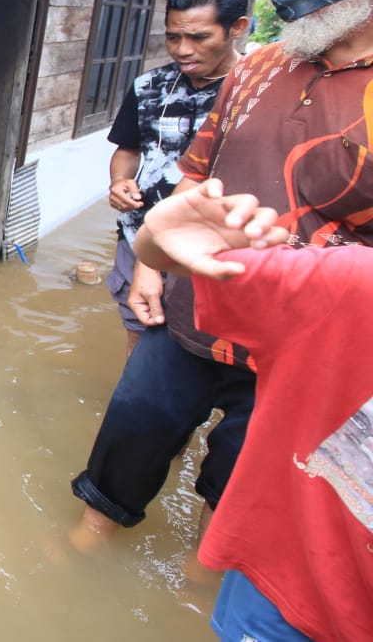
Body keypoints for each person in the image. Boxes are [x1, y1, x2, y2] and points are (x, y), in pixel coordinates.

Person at [71, 0, 373, 553]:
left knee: (242, 468)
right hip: (192, 303)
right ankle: (84, 541)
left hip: (297, 342)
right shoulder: (261, 67)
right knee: (135, 419)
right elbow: (194, 174)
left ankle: (204, 576)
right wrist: (153, 261)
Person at [133, 180, 372, 642]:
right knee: (141, 423)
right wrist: (152, 242)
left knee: (225, 458)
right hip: (288, 589)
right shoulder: (352, 284)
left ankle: (199, 571)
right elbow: (175, 248)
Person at [105, 0, 248, 355]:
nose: (182, 50)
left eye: (199, 37)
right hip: (139, 234)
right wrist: (120, 181)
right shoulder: (149, 86)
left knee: (209, 339)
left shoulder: (257, 91)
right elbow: (128, 149)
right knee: (139, 324)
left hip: (215, 244)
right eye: (172, 37)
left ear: (237, 28)